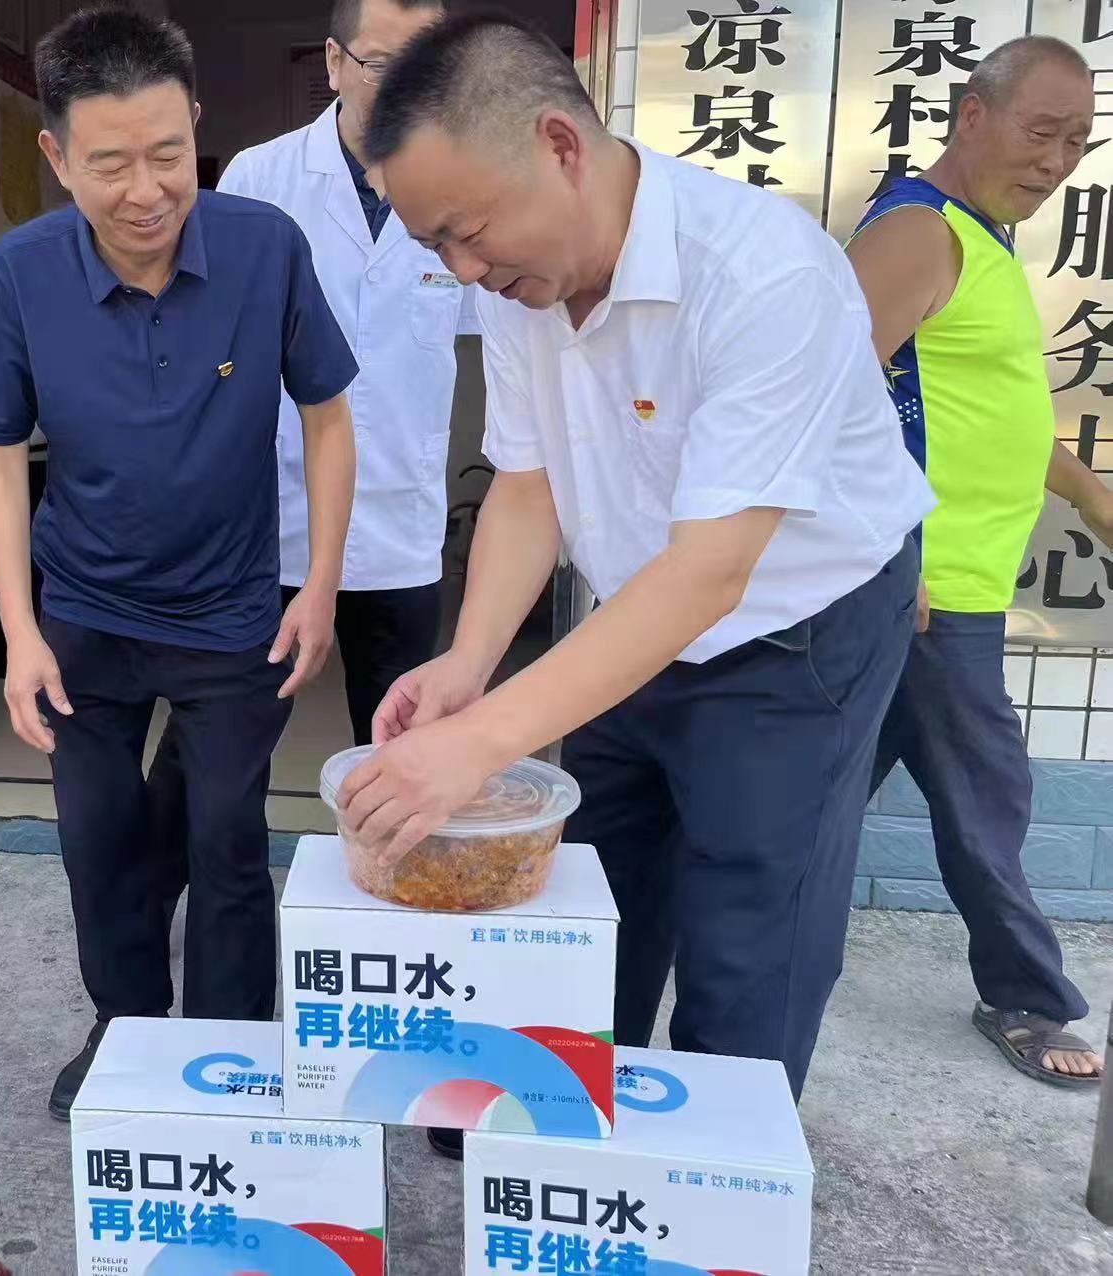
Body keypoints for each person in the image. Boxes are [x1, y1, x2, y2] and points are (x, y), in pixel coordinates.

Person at [342, 14, 934, 1156]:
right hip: (633, 611)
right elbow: (527, 487)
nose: (463, 270)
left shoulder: (762, 272)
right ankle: (553, 1114)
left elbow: (711, 573)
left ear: (560, 144)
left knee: (749, 920)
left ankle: (707, 1167)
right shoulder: (518, 284)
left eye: (467, 232)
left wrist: (475, 746)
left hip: (796, 628)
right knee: (590, 889)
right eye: (435, 247)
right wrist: (469, 666)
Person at [0, 6, 357, 1120]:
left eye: (169, 154)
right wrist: (19, 631)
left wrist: (319, 583)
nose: (147, 191)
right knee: (98, 840)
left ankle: (229, 1052)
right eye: (111, 164)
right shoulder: (21, 273)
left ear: (197, 127)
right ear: (56, 157)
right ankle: (125, 1027)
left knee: (227, 838)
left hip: (233, 613)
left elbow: (328, 418)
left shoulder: (266, 249)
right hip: (83, 614)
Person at [146, 0, 471, 912]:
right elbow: (207, 341)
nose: (407, 86)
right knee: (216, 743)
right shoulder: (262, 177)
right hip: (272, 525)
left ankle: (399, 924)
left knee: (402, 747)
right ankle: (155, 905)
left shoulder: (464, 180)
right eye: (383, 63)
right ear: (333, 62)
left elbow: (510, 329)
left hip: (401, 527)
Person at [847, 35, 1104, 1087]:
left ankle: (664, 927)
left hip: (947, 591)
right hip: (926, 593)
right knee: (986, 798)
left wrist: (1091, 498)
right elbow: (821, 403)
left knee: (809, 798)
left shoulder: (979, 242)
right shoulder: (917, 233)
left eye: (1076, 143)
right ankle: (1028, 995)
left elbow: (996, 413)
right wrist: (885, 554)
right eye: (1040, 132)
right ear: (972, 114)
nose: (1055, 161)